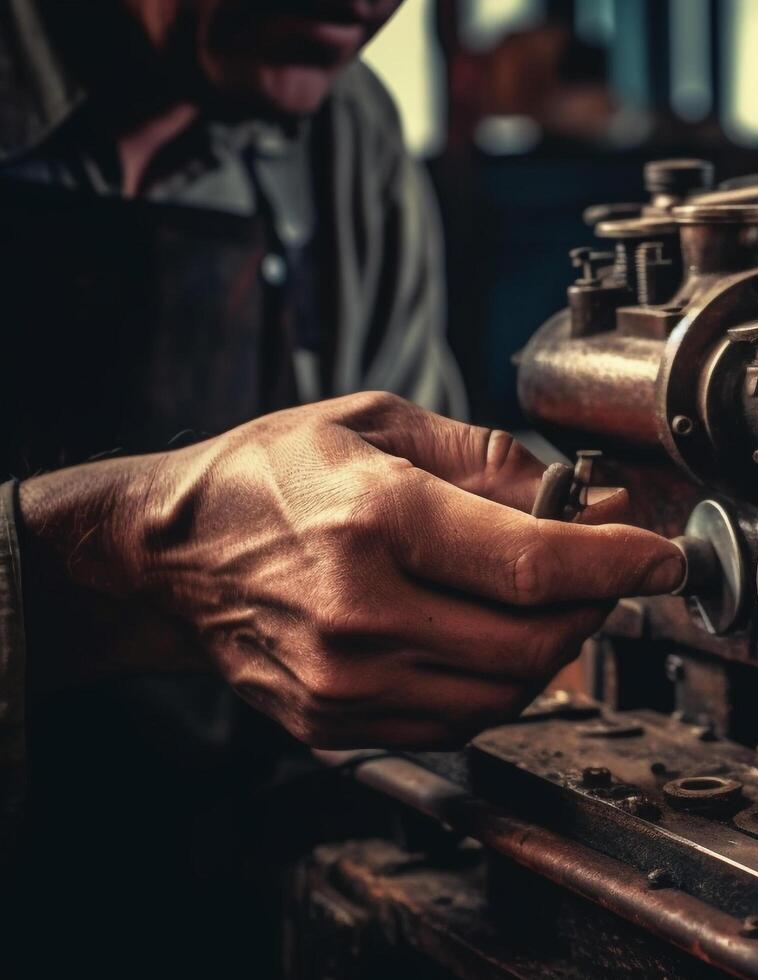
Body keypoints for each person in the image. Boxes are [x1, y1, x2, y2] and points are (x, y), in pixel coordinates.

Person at [0, 0, 681, 967]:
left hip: (234, 880)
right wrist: (121, 566)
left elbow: (413, 528)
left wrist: (462, 581)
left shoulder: (346, 131)